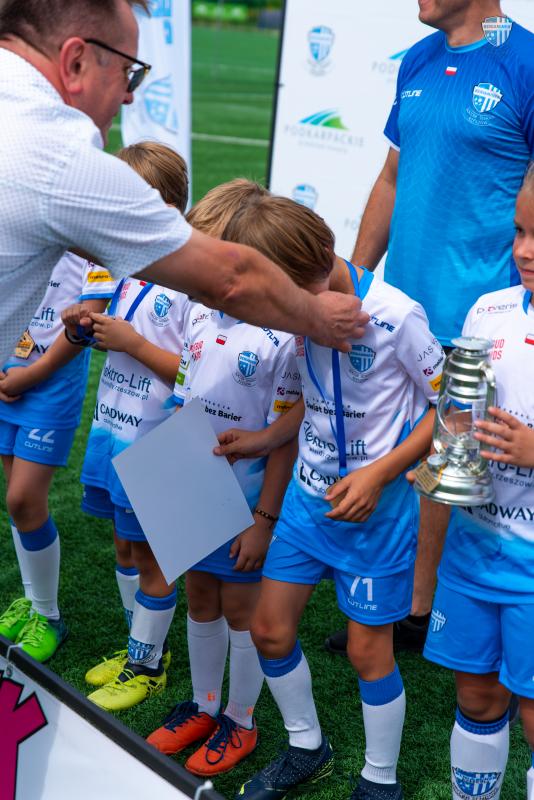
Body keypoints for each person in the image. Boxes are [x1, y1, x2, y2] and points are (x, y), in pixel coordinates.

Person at [208, 195, 442, 800]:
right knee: (269, 629)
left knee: (368, 652)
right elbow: (315, 401)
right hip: (306, 505)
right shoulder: (295, 313)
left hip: (375, 515)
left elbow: (448, 409)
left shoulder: (397, 314)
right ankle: (307, 745)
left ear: (307, 272)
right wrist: (265, 439)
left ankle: (380, 780)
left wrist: (379, 474)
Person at [323, 0, 534, 656]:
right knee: (394, 450)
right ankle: (394, 596)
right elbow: (392, 178)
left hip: (479, 317)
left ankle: (419, 608)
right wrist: (355, 280)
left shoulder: (524, 61)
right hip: (399, 308)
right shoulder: (417, 59)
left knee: (449, 460)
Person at [0, 0, 368, 371]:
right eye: (128, 72)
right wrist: (318, 316)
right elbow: (228, 278)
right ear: (76, 62)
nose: (129, 95)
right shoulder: (57, 155)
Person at [147, 182, 303, 777]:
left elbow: (285, 438)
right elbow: (184, 400)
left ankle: (241, 717)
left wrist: (263, 520)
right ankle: (205, 705)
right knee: (201, 596)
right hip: (194, 490)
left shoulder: (280, 338)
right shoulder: (197, 315)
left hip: (246, 502)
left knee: (241, 607)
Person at [423, 165, 534, 800]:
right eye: (519, 231)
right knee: (476, 694)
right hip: (474, 550)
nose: (525, 250)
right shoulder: (488, 312)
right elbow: (456, 417)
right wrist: (449, 444)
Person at [77, 142, 190, 711]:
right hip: (113, 427)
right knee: (124, 544)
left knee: (153, 556)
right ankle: (141, 648)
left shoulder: (188, 281)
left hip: (159, 441)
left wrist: (135, 343)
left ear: (164, 206)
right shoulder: (118, 263)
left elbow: (199, 372)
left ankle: (147, 666)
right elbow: (101, 325)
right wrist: (82, 324)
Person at [0, 255, 116, 660]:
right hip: (6, 376)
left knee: (23, 499)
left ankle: (48, 616)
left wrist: (32, 375)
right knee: (17, 503)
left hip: (49, 388)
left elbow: (87, 321)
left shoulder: (90, 246)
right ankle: (33, 601)